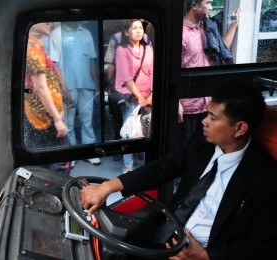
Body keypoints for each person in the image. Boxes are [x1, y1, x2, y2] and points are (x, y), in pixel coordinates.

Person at [80, 80, 277, 259]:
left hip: (204, 251)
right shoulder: (203, 143)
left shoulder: (265, 177)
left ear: (240, 128)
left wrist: (206, 256)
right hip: (167, 230)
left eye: (213, 117)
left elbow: (261, 246)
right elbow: (162, 169)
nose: (204, 121)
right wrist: (107, 187)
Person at [179, 0, 241, 146]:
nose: (211, 8)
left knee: (205, 148)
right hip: (189, 108)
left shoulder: (207, 28)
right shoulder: (181, 33)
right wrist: (177, 103)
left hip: (209, 104)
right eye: (208, 3)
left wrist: (234, 24)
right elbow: (173, 70)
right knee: (188, 149)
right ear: (195, 5)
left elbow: (222, 48)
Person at [49, 21, 101, 166]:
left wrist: (96, 85)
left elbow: (92, 60)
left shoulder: (86, 33)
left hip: (87, 83)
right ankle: (71, 155)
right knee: (69, 123)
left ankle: (88, 153)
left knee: (87, 121)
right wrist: (62, 87)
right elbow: (54, 65)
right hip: (68, 86)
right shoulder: (57, 33)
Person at [24, 22, 69, 173]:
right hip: (44, 119)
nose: (50, 23)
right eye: (45, 19)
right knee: (58, 164)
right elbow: (41, 87)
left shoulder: (35, 44)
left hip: (44, 115)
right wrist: (57, 118)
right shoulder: (32, 47)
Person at [114, 19, 153, 173]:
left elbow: (154, 72)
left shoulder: (148, 49)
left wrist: (151, 95)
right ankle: (128, 165)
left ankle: (144, 163)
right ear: (127, 32)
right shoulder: (121, 50)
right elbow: (126, 78)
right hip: (130, 98)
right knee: (130, 133)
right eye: (134, 28)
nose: (138, 31)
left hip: (148, 97)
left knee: (146, 130)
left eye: (140, 28)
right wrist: (141, 98)